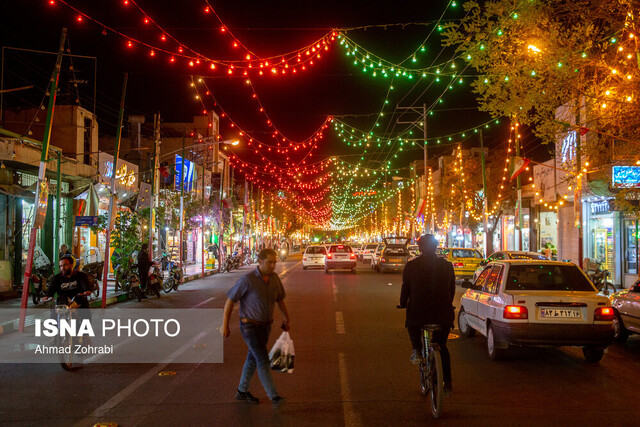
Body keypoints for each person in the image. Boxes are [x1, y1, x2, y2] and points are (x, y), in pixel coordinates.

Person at [221, 248, 290, 406]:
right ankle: (274, 396)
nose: (273, 265)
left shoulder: (274, 279)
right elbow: (230, 301)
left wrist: (287, 318)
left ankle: (242, 391)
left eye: (275, 262)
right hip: (249, 326)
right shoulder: (248, 280)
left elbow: (280, 300)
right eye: (269, 262)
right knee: (262, 359)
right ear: (260, 262)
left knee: (252, 359)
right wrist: (225, 326)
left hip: (265, 327)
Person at [400, 234, 455, 395]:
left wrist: (403, 303)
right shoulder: (447, 266)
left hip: (419, 313)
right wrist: (447, 303)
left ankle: (417, 349)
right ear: (436, 247)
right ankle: (448, 382)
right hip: (443, 314)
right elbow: (451, 289)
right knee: (442, 346)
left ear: (420, 248)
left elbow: (406, 289)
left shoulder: (411, 266)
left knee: (412, 325)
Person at [46, 255, 92, 321]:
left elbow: (85, 286)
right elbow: (51, 291)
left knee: (85, 314)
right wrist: (47, 296)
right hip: (62, 302)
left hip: (78, 301)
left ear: (71, 265)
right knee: (53, 315)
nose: (63, 268)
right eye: (61, 266)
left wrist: (86, 291)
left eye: (65, 265)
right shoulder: (56, 278)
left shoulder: (81, 276)